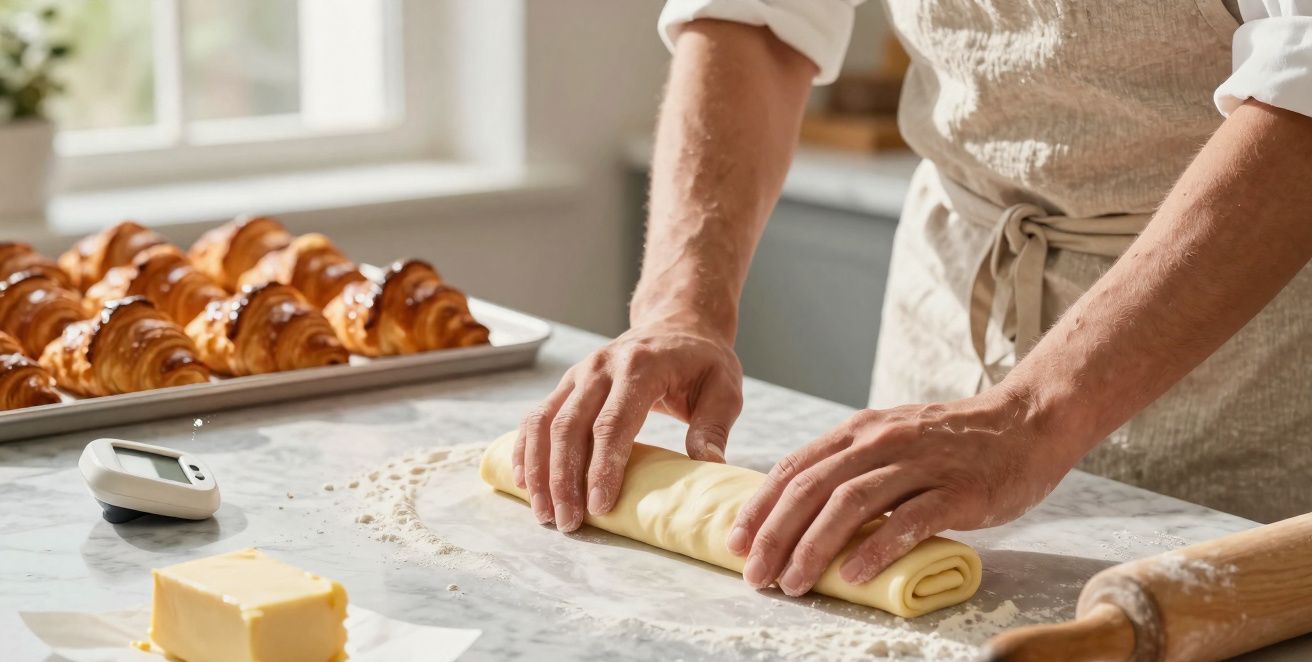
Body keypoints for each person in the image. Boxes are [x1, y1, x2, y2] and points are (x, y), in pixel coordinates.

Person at [513, 0, 1312, 598]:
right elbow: (754, 18)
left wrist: (1032, 415)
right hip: (956, 279)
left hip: (1242, 337)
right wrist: (679, 308)